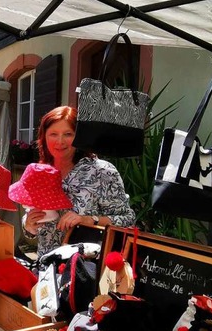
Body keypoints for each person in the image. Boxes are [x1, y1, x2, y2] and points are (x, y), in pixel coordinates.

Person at [23, 105, 135, 257]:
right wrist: (28, 225)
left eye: (68, 134)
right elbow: (31, 219)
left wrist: (89, 220)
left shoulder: (101, 171)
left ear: (80, 137)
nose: (60, 141)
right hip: (47, 269)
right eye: (53, 134)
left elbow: (127, 220)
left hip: (86, 270)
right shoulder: (40, 171)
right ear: (44, 137)